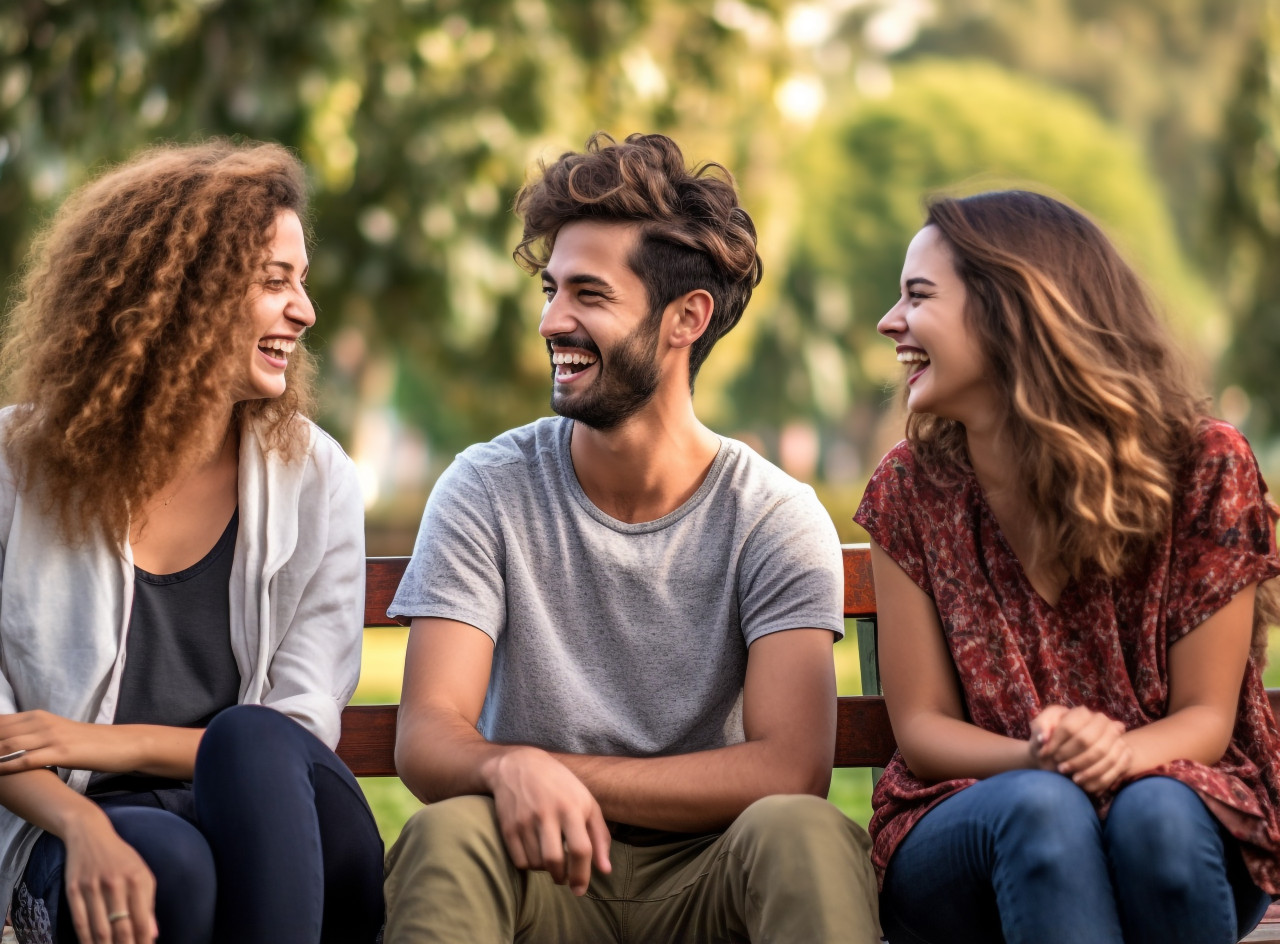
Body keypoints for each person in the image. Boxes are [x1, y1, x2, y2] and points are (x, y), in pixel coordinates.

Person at [383, 132, 879, 943]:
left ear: (687, 317)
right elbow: (428, 732)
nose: (552, 321)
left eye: (588, 295)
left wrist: (547, 769)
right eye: (550, 290)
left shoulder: (773, 517)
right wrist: (508, 768)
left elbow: (790, 768)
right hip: (537, 866)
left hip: (713, 877)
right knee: (448, 835)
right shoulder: (488, 486)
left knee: (802, 833)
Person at [855, 188, 1280, 944]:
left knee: (1154, 812)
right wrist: (1040, 758)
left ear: (1009, 309)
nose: (891, 323)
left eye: (917, 298)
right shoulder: (909, 488)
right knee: (1043, 809)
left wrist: (1117, 755)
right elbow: (921, 729)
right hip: (968, 822)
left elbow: (1208, 721)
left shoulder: (1204, 466)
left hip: (1179, 810)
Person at [0, 141, 385, 944]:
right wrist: (81, 825)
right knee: (170, 868)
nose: (305, 311)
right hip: (71, 822)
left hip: (275, 813)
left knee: (250, 740)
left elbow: (298, 730)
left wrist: (100, 740)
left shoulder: (317, 480)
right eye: (275, 281)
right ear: (182, 292)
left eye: (301, 282)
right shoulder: (15, 467)